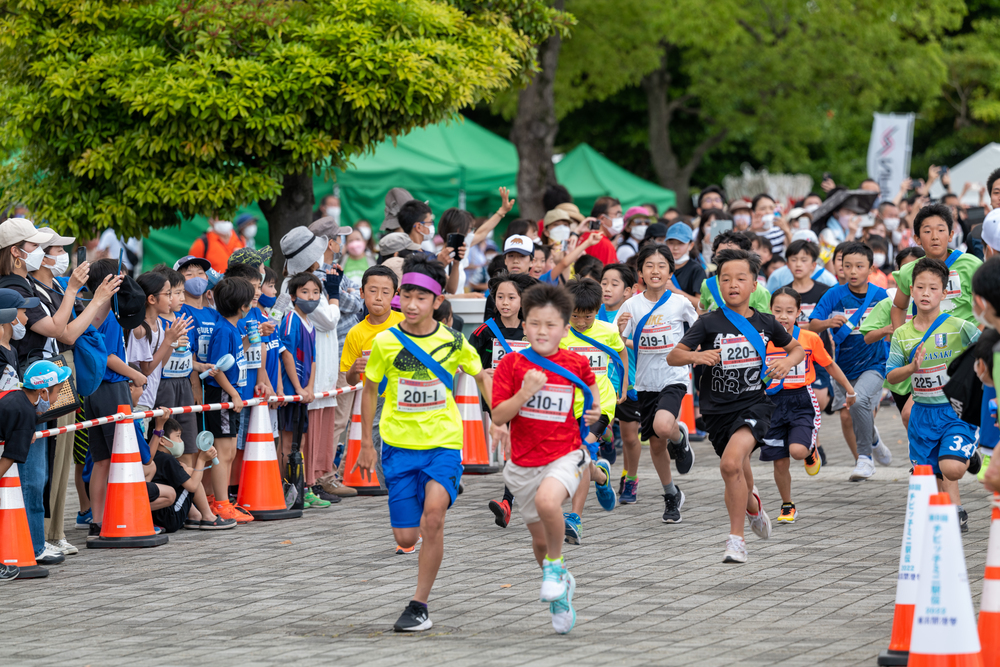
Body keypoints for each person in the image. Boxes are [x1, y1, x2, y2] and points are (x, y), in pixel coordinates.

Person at [354, 256, 492, 633]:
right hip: (397, 446)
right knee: (406, 536)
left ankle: (419, 605)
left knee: (433, 518)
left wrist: (500, 422)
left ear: (437, 300)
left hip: (443, 443)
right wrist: (367, 442)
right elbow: (368, 391)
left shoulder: (455, 342)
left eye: (421, 297)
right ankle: (442, 489)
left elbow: (483, 378)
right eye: (407, 296)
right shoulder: (384, 342)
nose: (412, 304)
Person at [669, 248, 804, 564]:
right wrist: (695, 356)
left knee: (730, 465)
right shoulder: (708, 323)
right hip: (717, 413)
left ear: (754, 285)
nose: (732, 284)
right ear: (716, 284)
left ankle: (736, 541)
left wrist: (785, 363)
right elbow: (673, 355)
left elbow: (796, 349)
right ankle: (753, 505)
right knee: (737, 467)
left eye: (740, 278)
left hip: (755, 405)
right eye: (725, 279)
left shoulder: (766, 322)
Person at [491, 283, 603, 634]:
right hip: (523, 464)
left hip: (566, 454)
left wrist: (595, 409)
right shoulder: (511, 365)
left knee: (549, 501)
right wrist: (525, 393)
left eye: (551, 324)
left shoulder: (576, 361)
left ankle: (556, 566)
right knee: (539, 541)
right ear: (524, 325)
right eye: (535, 323)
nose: (542, 331)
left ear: (565, 328)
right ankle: (560, 591)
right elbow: (498, 415)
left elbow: (591, 387)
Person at [887, 257, 982, 531]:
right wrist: (911, 367)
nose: (925, 293)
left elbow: (987, 347)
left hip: (955, 412)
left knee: (952, 468)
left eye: (932, 288)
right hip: (922, 414)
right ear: (911, 290)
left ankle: (968, 450)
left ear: (944, 292)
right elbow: (891, 376)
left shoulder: (958, 326)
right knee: (927, 478)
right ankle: (952, 515)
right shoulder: (902, 334)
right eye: (919, 287)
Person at [616, 245, 698, 517]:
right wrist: (621, 334)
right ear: (639, 272)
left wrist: (693, 352)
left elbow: (698, 330)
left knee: (663, 426)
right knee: (656, 444)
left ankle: (679, 435)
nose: (655, 270)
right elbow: (617, 341)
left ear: (670, 272)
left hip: (674, 376)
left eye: (661, 265)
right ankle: (671, 494)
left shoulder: (679, 302)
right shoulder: (631, 305)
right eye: (649, 265)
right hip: (645, 381)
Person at [764, 288, 856, 523]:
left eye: (789, 311)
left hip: (802, 401)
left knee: (797, 451)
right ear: (769, 311)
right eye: (777, 311)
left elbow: (830, 366)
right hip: (772, 405)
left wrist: (849, 389)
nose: (783, 316)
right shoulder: (761, 339)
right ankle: (787, 504)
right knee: (780, 460)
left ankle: (810, 449)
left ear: (798, 314)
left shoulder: (809, 339)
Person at [809, 242, 893, 481]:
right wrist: (828, 323)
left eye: (859, 266)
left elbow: (896, 323)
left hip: (876, 364)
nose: (853, 271)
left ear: (871, 269)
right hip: (844, 367)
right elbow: (814, 323)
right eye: (847, 266)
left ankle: (865, 458)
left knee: (857, 401)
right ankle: (874, 440)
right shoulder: (834, 294)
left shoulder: (880, 295)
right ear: (841, 269)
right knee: (856, 408)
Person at [82, 259, 148, 542]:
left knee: (101, 459)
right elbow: (108, 356)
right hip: (111, 388)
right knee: (121, 456)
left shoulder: (91, 311)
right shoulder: (107, 313)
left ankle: (97, 519)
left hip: (94, 391)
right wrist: (137, 375)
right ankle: (117, 517)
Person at [468, 271, 536, 528]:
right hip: (496, 399)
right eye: (500, 297)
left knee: (521, 449)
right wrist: (480, 372)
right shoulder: (484, 331)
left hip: (527, 399)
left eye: (511, 297)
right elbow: (466, 361)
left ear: (522, 300)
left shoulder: (531, 329)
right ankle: (508, 501)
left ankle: (517, 498)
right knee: (512, 447)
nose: (505, 303)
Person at [559, 279, 623, 544]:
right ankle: (602, 475)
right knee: (582, 461)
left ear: (597, 310)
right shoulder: (560, 334)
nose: (582, 322)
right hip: (566, 407)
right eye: (575, 316)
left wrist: (622, 385)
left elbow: (619, 354)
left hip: (599, 406)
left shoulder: (608, 330)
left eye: (588, 316)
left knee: (582, 454)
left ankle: (574, 518)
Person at [0, 358, 75, 577]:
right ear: (42, 392)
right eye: (57, 392)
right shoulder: (25, 414)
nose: (57, 398)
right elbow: (9, 458)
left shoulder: (18, 399)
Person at [337, 266, 403, 508]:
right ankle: (398, 501)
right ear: (362, 292)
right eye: (372, 290)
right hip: (374, 402)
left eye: (385, 292)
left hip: (404, 400)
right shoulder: (356, 333)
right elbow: (351, 381)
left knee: (405, 454)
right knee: (381, 456)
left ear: (395, 294)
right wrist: (355, 369)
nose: (378, 297)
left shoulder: (405, 324)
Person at [202, 276, 254, 523]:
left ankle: (220, 500)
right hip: (223, 394)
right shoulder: (223, 330)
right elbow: (217, 368)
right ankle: (220, 504)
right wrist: (233, 394)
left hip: (231, 395)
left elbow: (229, 359)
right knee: (222, 453)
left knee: (230, 451)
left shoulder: (231, 329)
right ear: (242, 306)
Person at [892, 203, 983, 328]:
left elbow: (987, 305)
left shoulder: (971, 265)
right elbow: (899, 307)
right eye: (927, 231)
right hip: (924, 345)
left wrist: (977, 342)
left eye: (941, 230)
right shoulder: (908, 270)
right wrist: (901, 340)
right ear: (917, 238)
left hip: (967, 345)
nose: (935, 237)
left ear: (950, 235)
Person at [277, 272, 325, 508]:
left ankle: (301, 487)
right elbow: (286, 353)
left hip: (303, 395)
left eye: (316, 293)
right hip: (289, 393)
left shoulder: (311, 325)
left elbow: (313, 360)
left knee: (301, 441)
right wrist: (297, 388)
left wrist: (309, 388)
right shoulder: (290, 320)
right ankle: (285, 489)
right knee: (287, 443)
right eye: (305, 292)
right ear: (294, 296)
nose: (311, 297)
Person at [145, 416, 235, 531]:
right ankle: (208, 517)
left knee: (186, 474)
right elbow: (192, 486)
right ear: (162, 440)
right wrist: (201, 460)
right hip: (171, 518)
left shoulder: (154, 458)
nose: (181, 441)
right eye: (178, 436)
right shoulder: (168, 460)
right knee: (192, 475)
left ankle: (195, 516)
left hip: (157, 518)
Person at [151, 266, 200, 468]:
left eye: (181, 292)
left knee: (187, 442)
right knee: (167, 442)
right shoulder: (155, 323)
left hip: (184, 385)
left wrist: (201, 366)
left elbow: (188, 356)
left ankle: (185, 495)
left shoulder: (185, 319)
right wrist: (170, 343)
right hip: (163, 386)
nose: (181, 297)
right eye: (175, 293)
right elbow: (152, 363)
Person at [597, 263, 638, 471]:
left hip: (629, 384)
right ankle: (607, 438)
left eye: (614, 284)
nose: (607, 288)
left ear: (628, 291)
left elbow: (644, 345)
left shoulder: (633, 314)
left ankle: (630, 478)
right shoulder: (590, 316)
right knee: (599, 425)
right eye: (604, 283)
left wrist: (622, 335)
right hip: (602, 385)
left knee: (631, 438)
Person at [174, 255, 219, 403]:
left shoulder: (214, 314)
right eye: (189, 274)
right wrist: (195, 386)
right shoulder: (180, 312)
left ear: (207, 278)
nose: (196, 278)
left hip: (214, 383)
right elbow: (188, 350)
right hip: (190, 385)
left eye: (200, 273)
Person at [699, 231, 772, 313]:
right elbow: (702, 309)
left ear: (745, 255)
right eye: (721, 254)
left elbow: (765, 322)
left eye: (733, 254)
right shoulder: (708, 285)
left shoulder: (760, 292)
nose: (727, 259)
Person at [664, 222, 705, 309]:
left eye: (680, 243)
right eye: (671, 243)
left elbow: (701, 304)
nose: (675, 248)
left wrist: (675, 290)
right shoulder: (661, 266)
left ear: (691, 245)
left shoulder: (696, 270)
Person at [579, 197, 622, 266]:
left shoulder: (583, 236)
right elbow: (609, 275)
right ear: (602, 218)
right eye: (618, 214)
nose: (620, 219)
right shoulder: (604, 244)